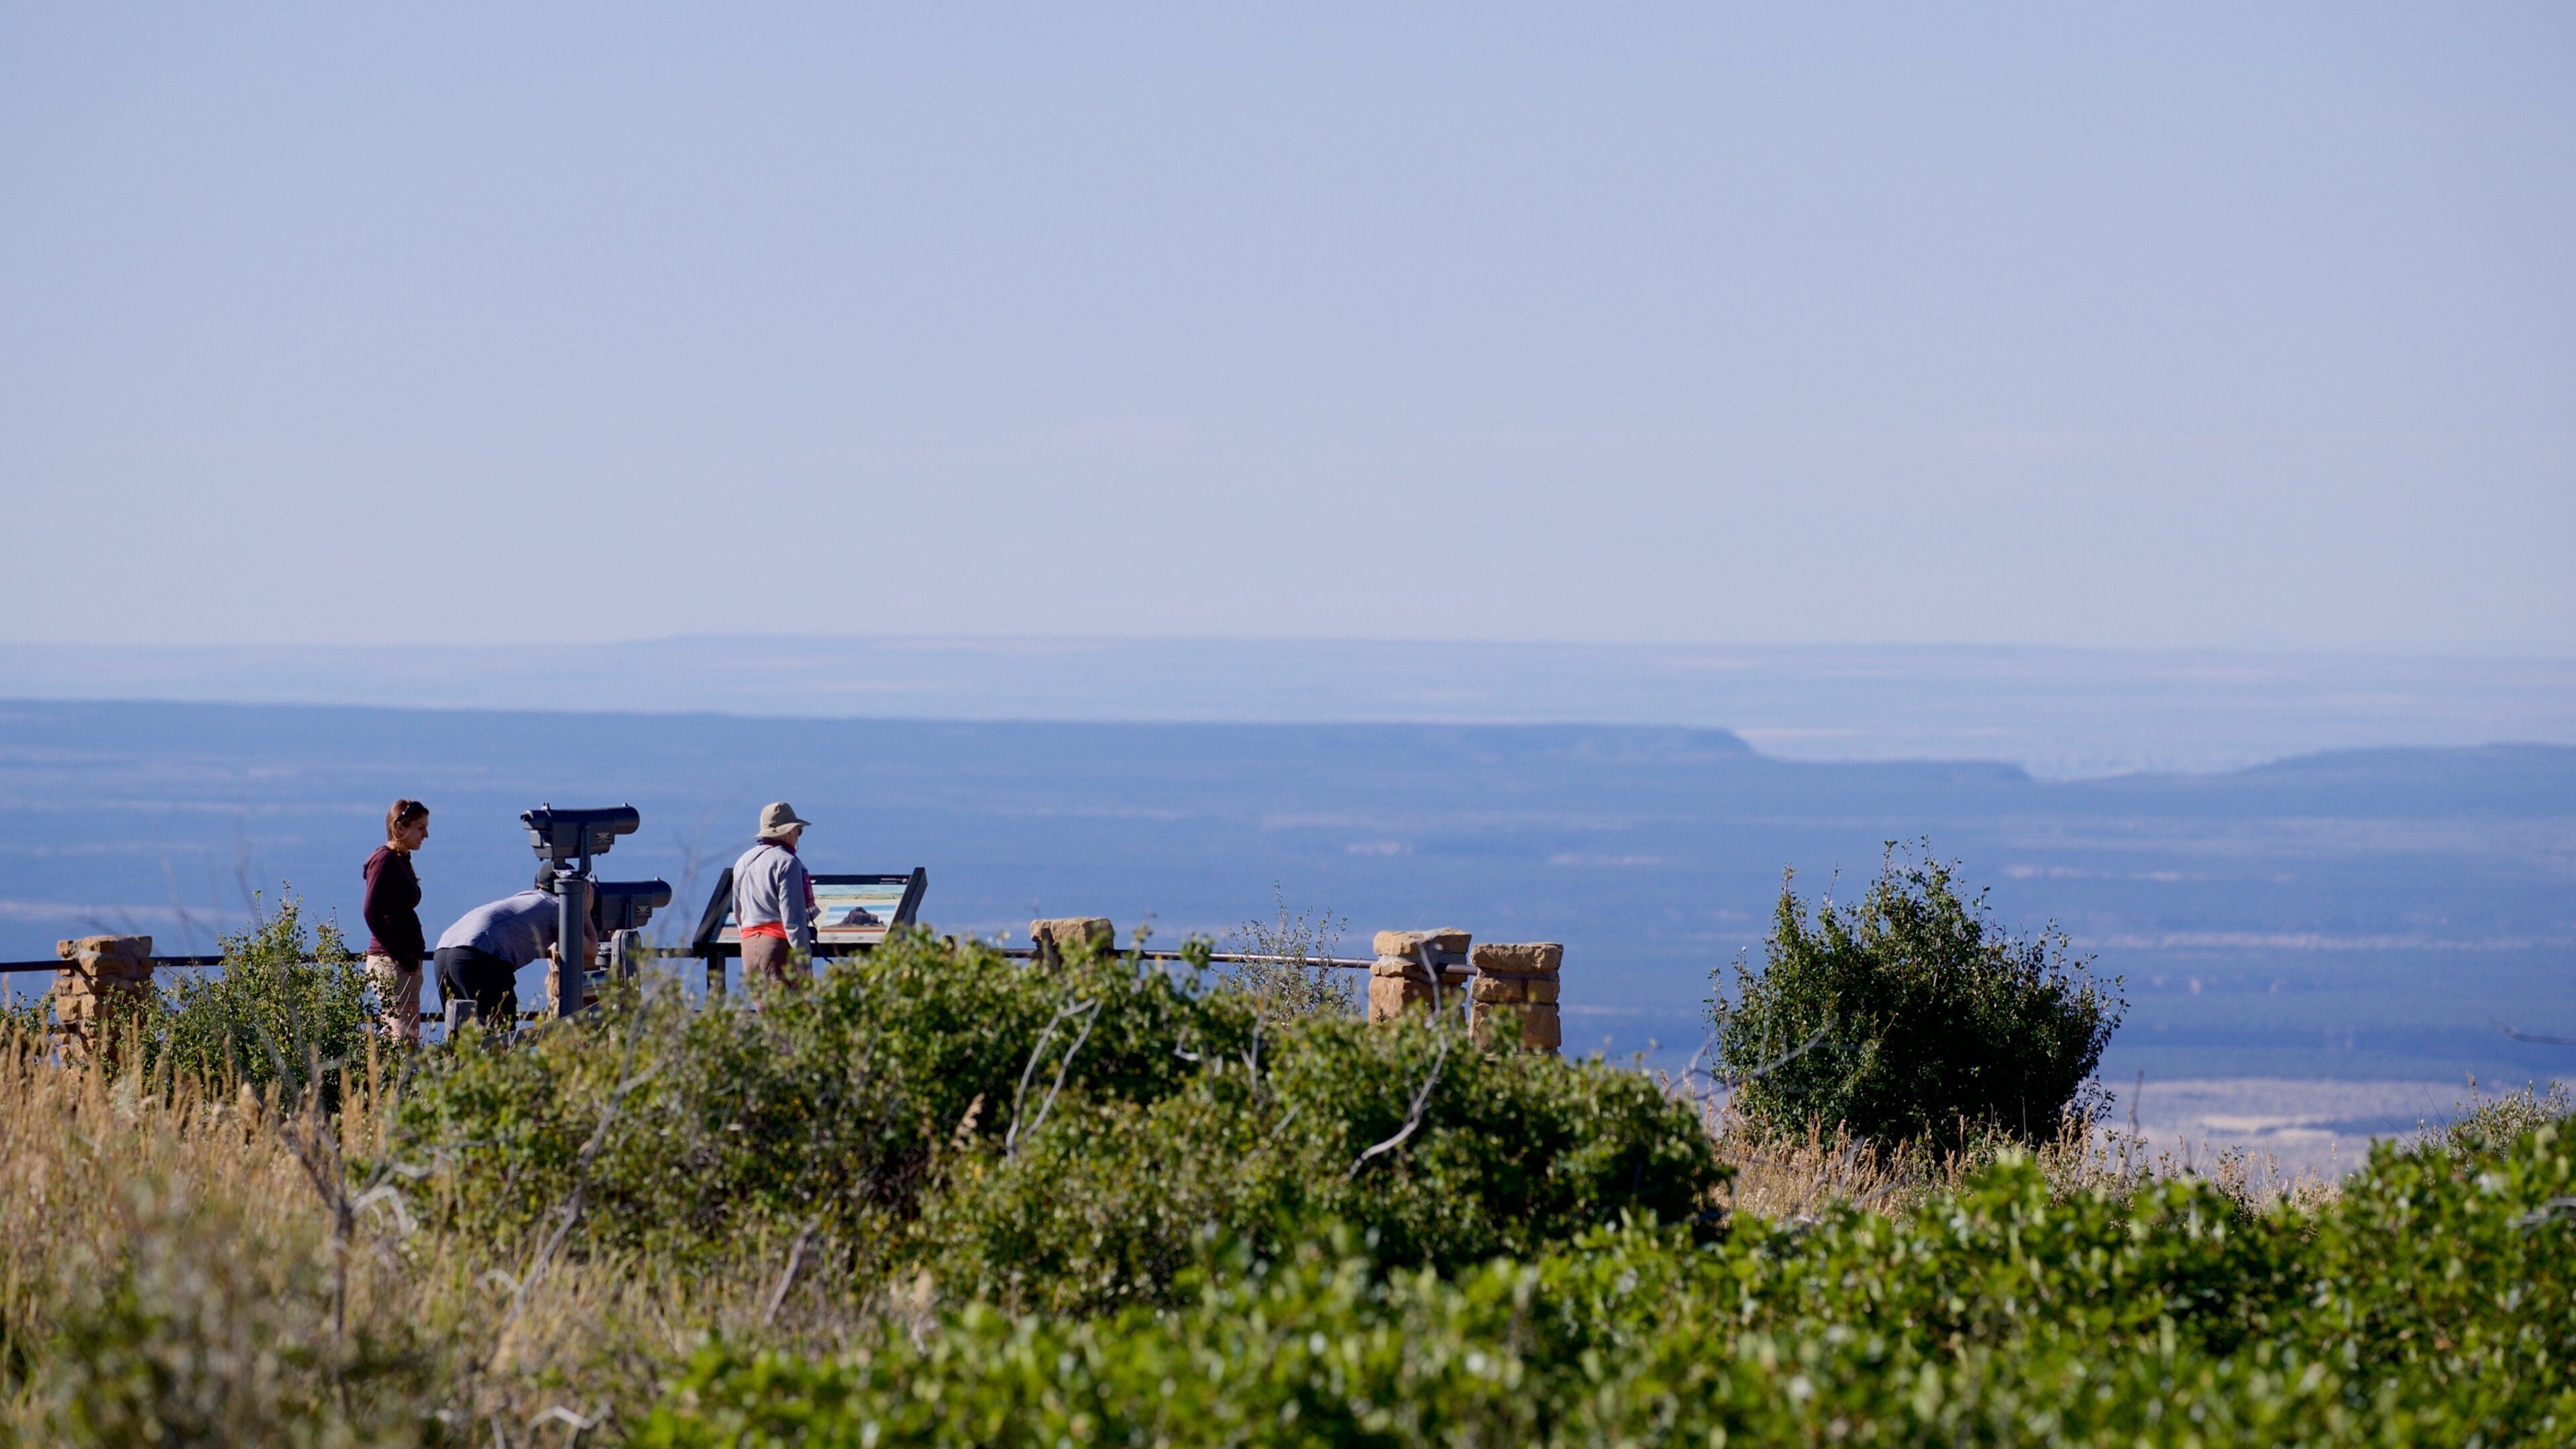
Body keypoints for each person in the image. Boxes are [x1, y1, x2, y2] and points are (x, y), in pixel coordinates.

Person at [433, 864, 595, 1028]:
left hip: (444, 951)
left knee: (458, 1035)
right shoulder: (556, 908)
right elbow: (591, 951)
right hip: (480, 956)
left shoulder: (525, 899)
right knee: (499, 1034)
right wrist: (584, 912)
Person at [362, 800, 430, 1044]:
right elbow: (371, 911)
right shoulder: (385, 860)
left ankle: (390, 1080)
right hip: (393, 963)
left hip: (401, 962)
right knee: (404, 1041)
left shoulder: (400, 859)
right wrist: (401, 956)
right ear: (400, 827)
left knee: (400, 1036)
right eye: (420, 828)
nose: (426, 835)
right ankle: (398, 1082)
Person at [733, 801, 817, 987]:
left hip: (748, 947)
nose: (798, 836)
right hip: (777, 947)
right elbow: (793, 921)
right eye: (798, 831)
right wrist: (805, 962)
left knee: (765, 1013)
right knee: (790, 1012)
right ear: (788, 832)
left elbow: (738, 914)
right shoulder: (788, 863)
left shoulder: (743, 862)